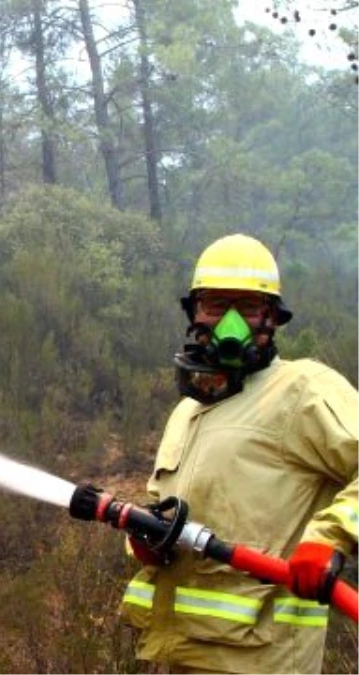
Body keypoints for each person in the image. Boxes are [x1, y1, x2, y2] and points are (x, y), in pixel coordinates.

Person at [121, 233, 359, 673]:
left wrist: (331, 537)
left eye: (248, 307)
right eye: (215, 305)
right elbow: (169, 511)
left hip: (265, 662)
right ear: (194, 312)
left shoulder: (302, 390)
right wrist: (148, 544)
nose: (231, 323)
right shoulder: (188, 411)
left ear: (273, 318)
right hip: (182, 657)